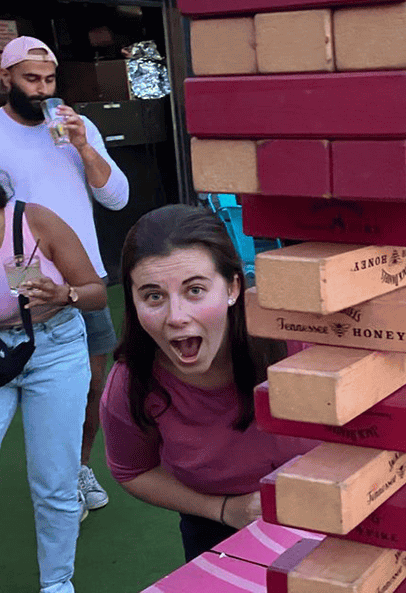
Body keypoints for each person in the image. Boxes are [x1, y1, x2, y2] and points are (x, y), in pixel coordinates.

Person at [0, 37, 130, 522]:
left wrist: (84, 146)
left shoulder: (76, 129)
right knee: (13, 381)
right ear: (6, 77)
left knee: (89, 387)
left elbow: (118, 199)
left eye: (49, 80)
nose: (42, 91)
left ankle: (76, 471)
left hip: (83, 282)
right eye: (30, 79)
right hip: (15, 279)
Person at [100, 205, 314, 561]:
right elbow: (132, 470)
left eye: (195, 290)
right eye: (153, 296)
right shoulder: (130, 384)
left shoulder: (295, 337)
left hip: (329, 508)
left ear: (232, 287)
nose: (176, 317)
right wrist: (223, 509)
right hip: (217, 525)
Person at [0, 153, 107, 593]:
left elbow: (97, 291)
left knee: (52, 479)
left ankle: (57, 584)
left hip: (54, 349)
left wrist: (66, 292)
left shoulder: (34, 220)